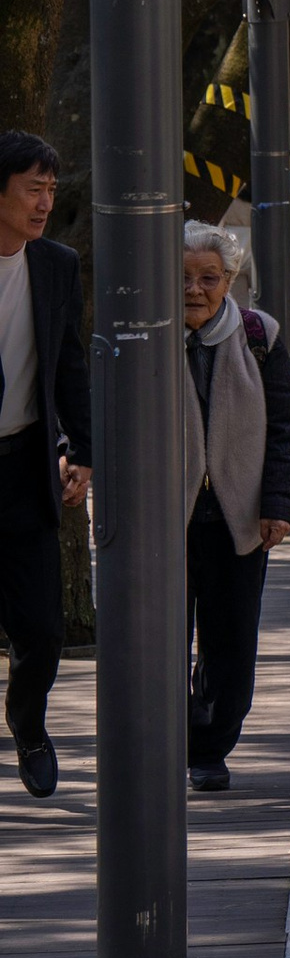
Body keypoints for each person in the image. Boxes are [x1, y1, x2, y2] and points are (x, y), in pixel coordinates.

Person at [179, 225, 290, 792]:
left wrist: (278, 505)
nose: (195, 289)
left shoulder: (260, 336)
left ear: (230, 281)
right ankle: (164, 739)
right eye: (183, 277)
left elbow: (286, 426)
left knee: (230, 649)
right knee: (157, 642)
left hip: (238, 520)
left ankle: (208, 747)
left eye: (209, 278)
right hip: (162, 524)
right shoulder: (142, 337)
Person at [0, 131, 89, 799]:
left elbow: (69, 368)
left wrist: (81, 453)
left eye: (51, 190)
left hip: (23, 466)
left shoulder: (55, 265)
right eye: (33, 187)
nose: (45, 202)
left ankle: (28, 727)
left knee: (43, 630)